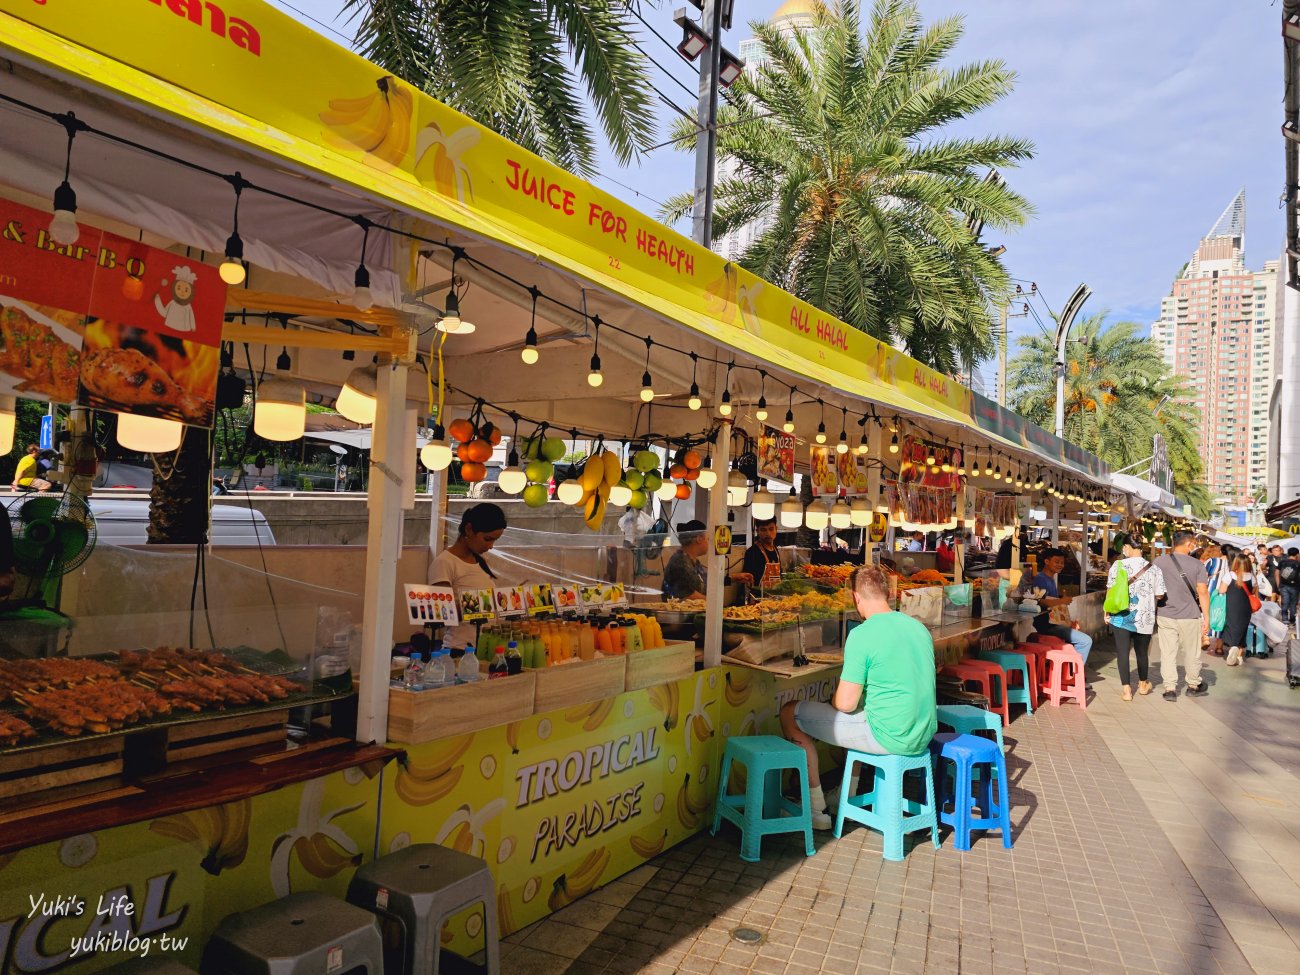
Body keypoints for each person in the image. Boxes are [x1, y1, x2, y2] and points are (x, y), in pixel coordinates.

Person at [779, 564, 937, 830]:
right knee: (859, 712)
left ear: (856, 597)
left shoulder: (861, 634)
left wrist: (833, 701)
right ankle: (845, 797)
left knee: (789, 712)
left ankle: (815, 809)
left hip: (888, 735)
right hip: (923, 733)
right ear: (889, 594)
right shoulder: (918, 628)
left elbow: (845, 703)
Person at [429, 502, 507, 648]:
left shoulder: (480, 561)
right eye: (487, 539)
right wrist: (486, 603)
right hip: (459, 649)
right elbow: (441, 612)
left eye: (495, 540)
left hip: (485, 647)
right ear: (469, 529)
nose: (491, 546)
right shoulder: (444, 562)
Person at [1105, 536, 1165, 700]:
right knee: (1142, 653)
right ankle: (1143, 685)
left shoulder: (1118, 565)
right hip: (1145, 617)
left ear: (1127, 547)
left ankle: (1126, 691)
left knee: (1122, 652)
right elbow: (1160, 595)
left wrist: (1107, 611)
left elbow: (1110, 591)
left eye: (1124, 548)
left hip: (1120, 616)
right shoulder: (1154, 569)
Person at [1154, 531, 1211, 701]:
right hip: (1190, 615)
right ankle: (1193, 685)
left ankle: (1170, 688)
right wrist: (1206, 617)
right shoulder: (1197, 565)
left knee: (1168, 652)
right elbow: (1202, 591)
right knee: (1192, 652)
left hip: (1165, 613)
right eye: (1193, 544)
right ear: (1188, 544)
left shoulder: (1159, 561)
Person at [1028, 548, 1093, 664]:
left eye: (1062, 563)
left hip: (1053, 622)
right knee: (1086, 641)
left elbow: (1050, 601)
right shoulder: (1041, 579)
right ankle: (1075, 673)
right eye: (1056, 562)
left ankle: (1069, 670)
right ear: (1046, 561)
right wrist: (1062, 600)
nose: (1060, 565)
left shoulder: (1050, 579)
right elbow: (1041, 602)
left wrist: (1061, 600)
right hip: (1046, 624)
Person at [1221, 555, 1256, 667]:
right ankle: (1239, 656)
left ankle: (1233, 647)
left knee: (1231, 626)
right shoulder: (1252, 577)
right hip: (1246, 608)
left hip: (1231, 606)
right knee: (1243, 629)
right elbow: (1254, 592)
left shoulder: (1230, 575)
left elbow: (1222, 590)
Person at [662, 520, 708, 600]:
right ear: (699, 539)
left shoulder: (693, 561)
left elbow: (706, 581)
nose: (708, 543)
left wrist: (731, 578)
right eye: (707, 539)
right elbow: (687, 595)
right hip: (680, 611)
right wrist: (715, 605)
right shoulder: (680, 562)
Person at [738, 518, 780, 589]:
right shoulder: (752, 552)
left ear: (776, 529)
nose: (768, 533)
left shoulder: (775, 550)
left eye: (771, 529)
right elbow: (747, 582)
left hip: (774, 596)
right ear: (757, 531)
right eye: (763, 530)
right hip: (757, 596)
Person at [1277, 547, 1300, 625]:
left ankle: (1285, 619)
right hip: (1295, 586)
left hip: (1283, 586)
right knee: (1293, 603)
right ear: (1297, 554)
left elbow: (1276, 573)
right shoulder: (1298, 563)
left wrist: (1278, 584)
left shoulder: (1282, 562)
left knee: (1285, 602)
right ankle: (1292, 620)